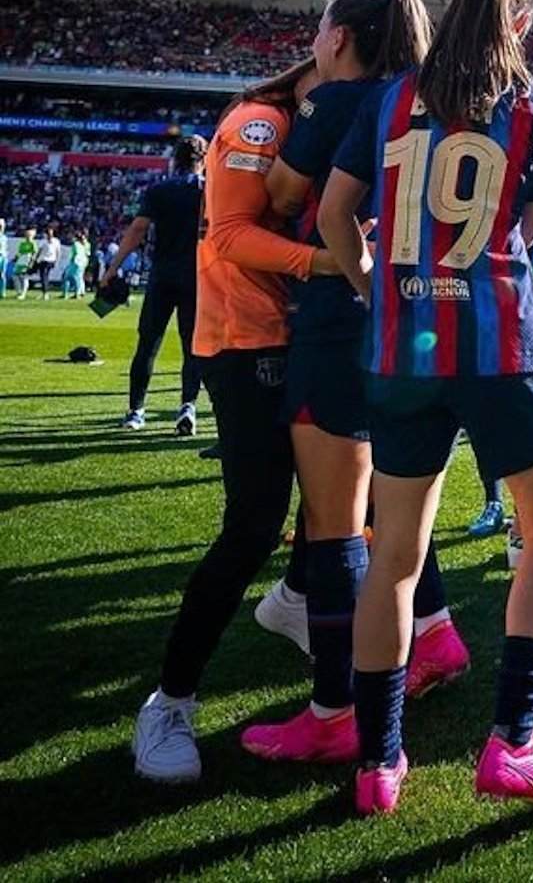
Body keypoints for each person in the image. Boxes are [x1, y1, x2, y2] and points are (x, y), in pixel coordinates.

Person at [319, 0, 533, 813]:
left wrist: (372, 286)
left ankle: (377, 765)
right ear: (518, 23)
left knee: (392, 557)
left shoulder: (388, 98)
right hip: (503, 348)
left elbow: (331, 216)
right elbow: (532, 226)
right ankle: (510, 742)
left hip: (400, 351)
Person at [238, 0, 474, 765]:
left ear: (340, 37)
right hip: (416, 321)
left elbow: (279, 193)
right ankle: (434, 636)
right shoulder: (429, 102)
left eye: (318, 26)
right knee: (394, 503)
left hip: (343, 314)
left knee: (337, 523)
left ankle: (334, 710)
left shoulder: (337, 100)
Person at [131, 66, 344, 783]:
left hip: (305, 337)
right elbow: (229, 234)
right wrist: (329, 262)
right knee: (254, 523)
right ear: (334, 51)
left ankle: (294, 601)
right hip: (248, 341)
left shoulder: (327, 117)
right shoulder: (264, 121)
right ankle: (170, 700)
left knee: (338, 503)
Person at [103, 136, 206, 434]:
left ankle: (136, 412)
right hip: (196, 277)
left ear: (175, 159)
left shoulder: (159, 189)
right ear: (204, 159)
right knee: (193, 348)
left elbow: (137, 229)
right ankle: (188, 406)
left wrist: (112, 269)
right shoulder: (208, 192)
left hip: (162, 276)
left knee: (147, 345)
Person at [61, 229, 90, 299]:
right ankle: (79, 293)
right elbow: (88, 254)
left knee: (67, 277)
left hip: (75, 263)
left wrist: (72, 260)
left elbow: (73, 254)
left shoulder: (76, 244)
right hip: (83, 263)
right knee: (79, 278)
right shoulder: (86, 244)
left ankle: (66, 293)